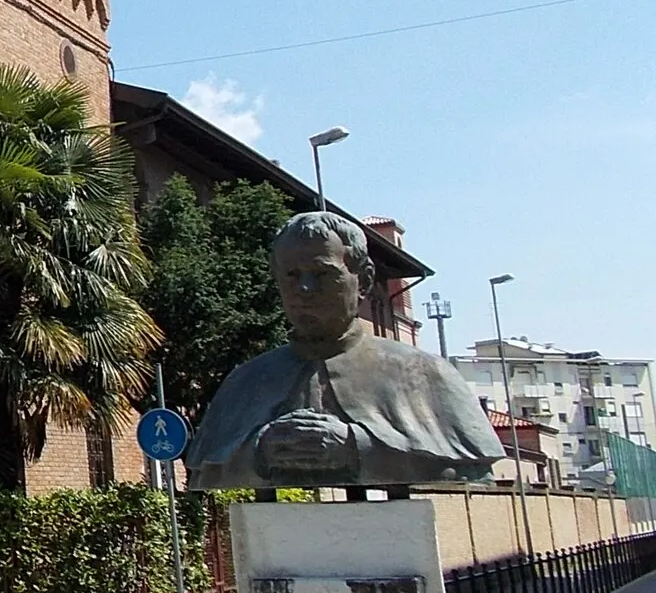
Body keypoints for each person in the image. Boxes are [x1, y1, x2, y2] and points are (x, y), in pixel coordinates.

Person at [185, 210, 502, 490]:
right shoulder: (245, 382)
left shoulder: (423, 373)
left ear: (363, 281)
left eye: (323, 274)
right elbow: (204, 475)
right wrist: (260, 452)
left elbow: (470, 473)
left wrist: (357, 448)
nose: (305, 289)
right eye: (292, 276)